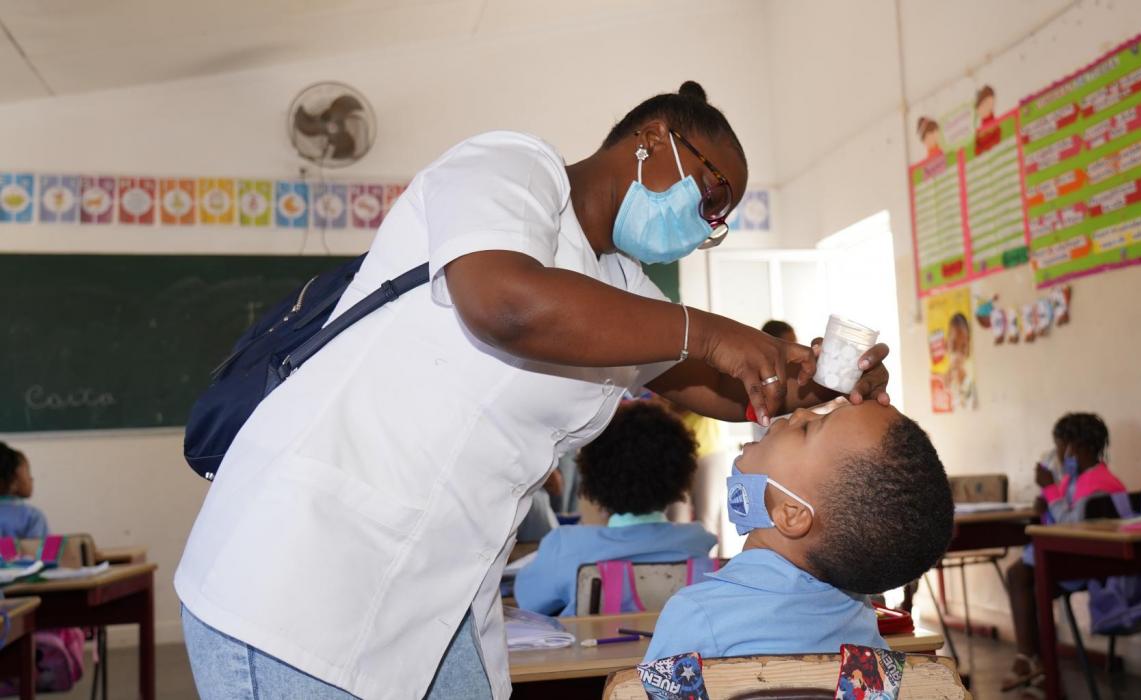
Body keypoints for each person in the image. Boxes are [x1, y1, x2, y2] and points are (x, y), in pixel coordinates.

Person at [175, 81, 894, 700]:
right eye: (710, 197)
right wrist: (705, 331)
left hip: (442, 597)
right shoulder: (511, 167)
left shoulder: (618, 286)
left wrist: (806, 385)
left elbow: (720, 385)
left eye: (717, 221)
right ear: (653, 139)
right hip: (302, 571)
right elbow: (506, 305)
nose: (705, 224)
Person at [643, 400, 953, 661]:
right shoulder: (861, 628)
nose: (801, 412)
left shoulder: (696, 616)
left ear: (791, 514)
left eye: (808, 428)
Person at [514, 401, 715, 615]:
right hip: (674, 648)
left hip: (586, 647)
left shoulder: (565, 546)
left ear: (592, 478)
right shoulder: (697, 542)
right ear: (681, 474)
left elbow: (527, 600)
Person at [1003, 413, 1126, 692]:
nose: (1056, 453)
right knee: (1018, 574)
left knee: (1030, 581)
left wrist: (1049, 488)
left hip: (1088, 561)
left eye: (1059, 446)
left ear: (1073, 447)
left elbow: (1072, 524)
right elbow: (1062, 512)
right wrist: (1047, 497)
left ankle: (1037, 661)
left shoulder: (1099, 483)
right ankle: (1029, 658)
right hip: (1069, 556)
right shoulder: (1076, 478)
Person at [0, 443, 47, 540]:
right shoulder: (32, 516)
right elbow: (41, 552)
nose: (31, 478)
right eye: (28, 473)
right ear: (14, 481)